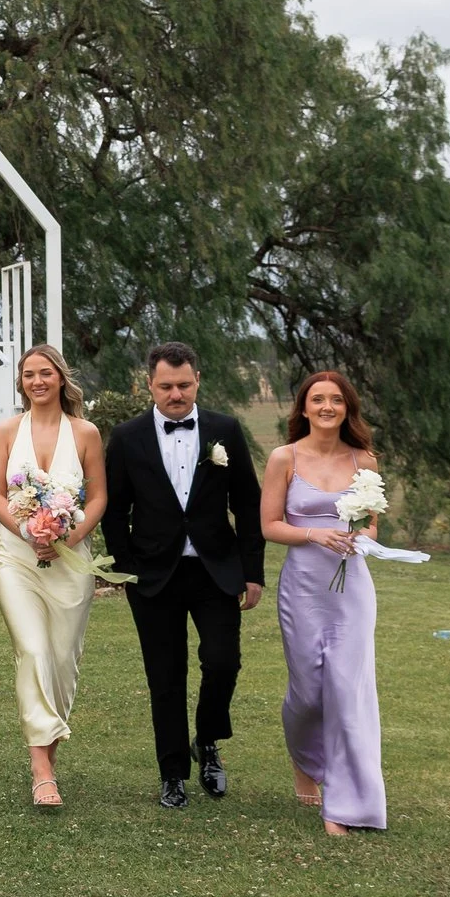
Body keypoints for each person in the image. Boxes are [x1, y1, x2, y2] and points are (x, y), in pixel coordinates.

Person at [101, 341, 264, 809]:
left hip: (216, 570)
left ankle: (208, 740)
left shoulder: (225, 430)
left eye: (185, 385)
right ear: (149, 384)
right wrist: (126, 569)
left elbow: (247, 504)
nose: (176, 394)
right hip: (154, 576)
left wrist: (252, 572)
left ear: (198, 381)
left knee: (223, 662)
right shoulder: (128, 437)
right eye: (167, 386)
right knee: (164, 676)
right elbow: (115, 510)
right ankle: (172, 773)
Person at [261, 370, 387, 834]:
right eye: (318, 399)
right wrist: (315, 532)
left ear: (347, 408)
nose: (327, 407)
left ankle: (346, 803)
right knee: (309, 692)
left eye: (336, 400)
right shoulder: (284, 458)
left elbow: (373, 527)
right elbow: (269, 525)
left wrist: (358, 536)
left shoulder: (365, 462)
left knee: (346, 691)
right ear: (304, 408)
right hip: (303, 588)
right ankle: (305, 758)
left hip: (352, 588)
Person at [0, 344, 108, 809]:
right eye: (28, 375)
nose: (37, 381)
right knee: (33, 650)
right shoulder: (6, 430)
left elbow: (97, 498)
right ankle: (41, 771)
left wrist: (68, 537)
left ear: (60, 378)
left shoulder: (86, 432)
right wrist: (25, 529)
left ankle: (46, 757)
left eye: (45, 373)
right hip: (16, 558)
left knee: (60, 660)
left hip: (71, 563)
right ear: (21, 383)